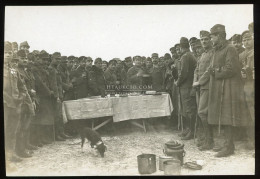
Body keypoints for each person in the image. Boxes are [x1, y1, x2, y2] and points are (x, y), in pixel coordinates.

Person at [207, 24, 250, 157]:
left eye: (212, 36)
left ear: (219, 36)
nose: (211, 39)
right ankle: (226, 144)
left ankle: (229, 147)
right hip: (220, 87)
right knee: (222, 115)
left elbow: (232, 69)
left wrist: (215, 71)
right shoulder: (217, 49)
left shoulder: (230, 48)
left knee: (227, 116)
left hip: (229, 88)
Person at [4, 42, 28, 163]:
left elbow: (22, 87)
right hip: (5, 105)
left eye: (9, 53)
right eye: (5, 53)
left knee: (12, 131)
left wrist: (21, 97)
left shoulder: (14, 70)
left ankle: (10, 155)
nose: (7, 55)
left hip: (15, 105)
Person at [192, 30, 214, 150]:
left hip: (207, 86)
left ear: (210, 39)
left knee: (202, 113)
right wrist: (194, 82)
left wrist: (200, 82)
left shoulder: (213, 53)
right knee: (202, 113)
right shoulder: (202, 55)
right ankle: (206, 139)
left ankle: (210, 141)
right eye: (202, 39)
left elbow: (210, 70)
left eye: (206, 39)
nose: (204, 41)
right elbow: (196, 69)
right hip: (199, 88)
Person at [15, 50, 37, 158]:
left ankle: (25, 145)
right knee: (20, 126)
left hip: (28, 100)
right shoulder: (16, 70)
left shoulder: (25, 70)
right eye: (22, 58)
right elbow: (20, 87)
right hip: (21, 101)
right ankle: (20, 150)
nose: (25, 60)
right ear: (17, 58)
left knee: (26, 125)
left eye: (26, 58)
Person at [175, 37, 197, 140]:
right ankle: (189, 129)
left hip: (186, 87)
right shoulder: (189, 55)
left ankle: (191, 131)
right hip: (187, 86)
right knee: (187, 110)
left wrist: (177, 82)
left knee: (189, 110)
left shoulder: (185, 56)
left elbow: (183, 73)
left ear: (181, 47)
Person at [239, 30, 255, 150]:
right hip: (246, 84)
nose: (246, 42)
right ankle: (251, 140)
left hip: (253, 83)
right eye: (244, 40)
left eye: (248, 39)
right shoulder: (242, 55)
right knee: (248, 113)